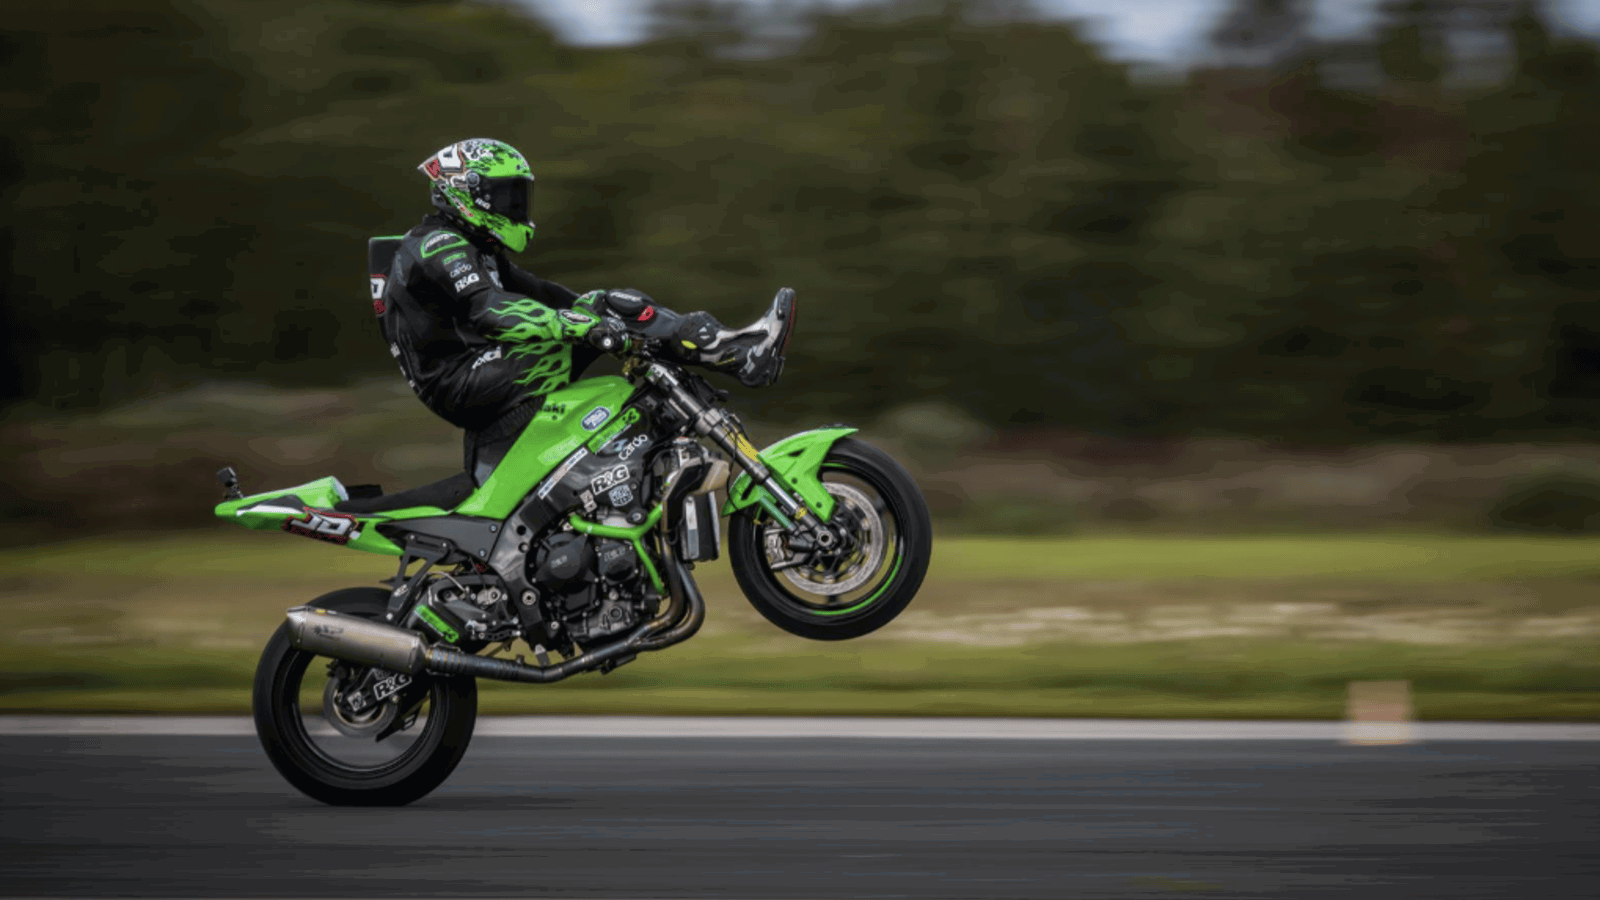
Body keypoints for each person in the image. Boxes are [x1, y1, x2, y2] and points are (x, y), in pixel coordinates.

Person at [377, 138, 795, 483]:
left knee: (610, 305)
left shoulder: (479, 249)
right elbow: (490, 310)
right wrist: (584, 327)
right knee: (598, 319)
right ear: (467, 192)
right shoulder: (437, 245)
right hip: (459, 382)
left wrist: (600, 315)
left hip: (476, 371)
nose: (516, 208)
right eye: (506, 196)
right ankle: (732, 359)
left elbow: (546, 294)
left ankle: (729, 352)